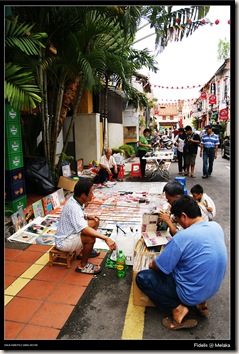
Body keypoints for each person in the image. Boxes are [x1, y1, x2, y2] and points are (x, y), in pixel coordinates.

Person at [136, 195, 227, 331]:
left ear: (183, 216)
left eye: (177, 219)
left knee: (142, 278)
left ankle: (178, 310)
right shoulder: (215, 226)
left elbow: (158, 266)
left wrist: (151, 264)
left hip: (190, 294)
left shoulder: (182, 237)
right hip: (211, 289)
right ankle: (202, 304)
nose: (178, 222)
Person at [55, 179, 116, 274]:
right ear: (83, 195)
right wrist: (105, 238)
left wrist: (88, 216)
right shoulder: (73, 207)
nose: (93, 195)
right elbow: (84, 230)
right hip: (64, 241)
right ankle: (82, 265)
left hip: (72, 233)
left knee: (95, 221)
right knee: (90, 238)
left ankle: (85, 251)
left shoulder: (75, 200)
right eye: (91, 193)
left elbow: (78, 216)